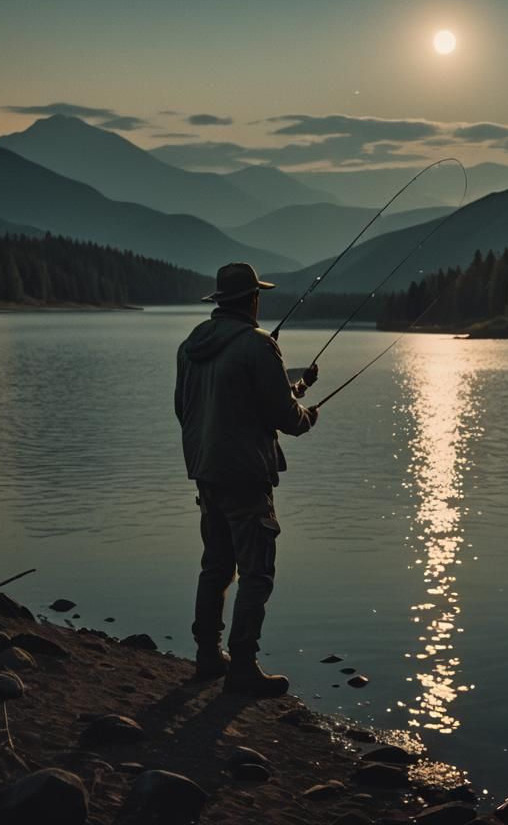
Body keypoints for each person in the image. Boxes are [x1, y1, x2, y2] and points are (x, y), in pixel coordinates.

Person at [175, 262, 319, 697]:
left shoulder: (189, 346)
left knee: (216, 564)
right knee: (257, 573)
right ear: (253, 299)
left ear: (221, 302)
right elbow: (284, 418)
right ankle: (242, 666)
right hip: (244, 476)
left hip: (205, 471)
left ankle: (206, 655)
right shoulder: (258, 346)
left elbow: (188, 408)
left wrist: (297, 385)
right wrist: (306, 417)